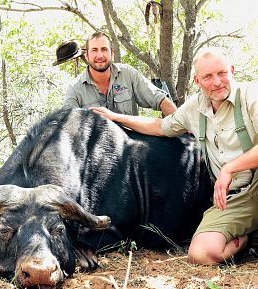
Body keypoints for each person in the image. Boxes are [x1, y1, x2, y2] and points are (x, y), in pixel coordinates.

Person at [91, 47, 258, 265]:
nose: (217, 82)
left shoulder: (250, 95)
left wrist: (229, 168)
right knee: (201, 253)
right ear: (197, 80)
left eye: (222, 73)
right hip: (234, 196)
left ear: (232, 71)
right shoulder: (194, 108)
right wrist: (116, 117)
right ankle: (248, 235)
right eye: (208, 76)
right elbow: (160, 126)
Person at [63, 31, 177, 116]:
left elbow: (159, 99)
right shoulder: (74, 89)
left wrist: (181, 126)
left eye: (104, 49)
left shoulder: (127, 73)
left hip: (132, 144)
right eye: (94, 50)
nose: (100, 56)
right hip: (96, 148)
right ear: (87, 56)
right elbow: (68, 127)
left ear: (111, 53)